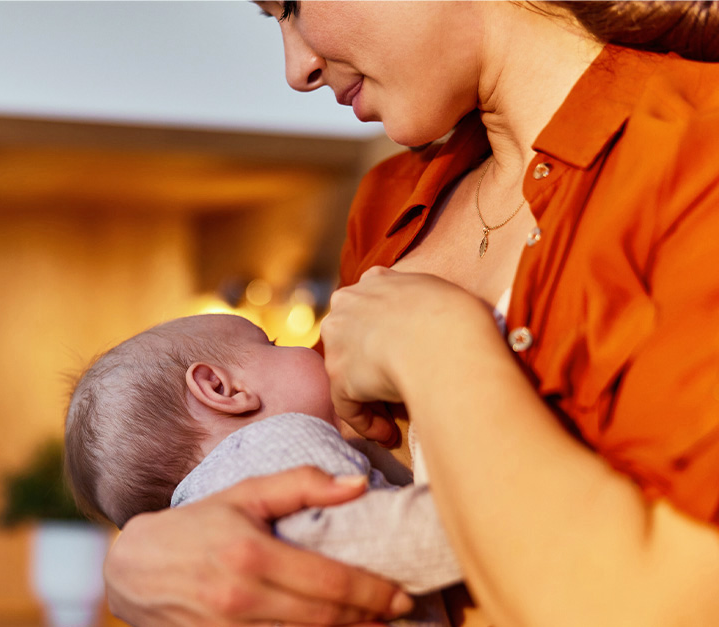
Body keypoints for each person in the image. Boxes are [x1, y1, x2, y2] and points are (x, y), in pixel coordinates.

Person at [103, 2, 719, 626]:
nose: (297, 69)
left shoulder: (697, 150)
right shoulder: (385, 207)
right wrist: (143, 558)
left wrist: (439, 344)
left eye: (290, 5)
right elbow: (292, 499)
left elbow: (671, 604)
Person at [64, 313, 462, 626]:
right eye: (272, 342)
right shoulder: (270, 444)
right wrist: (484, 520)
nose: (308, 348)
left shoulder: (208, 511)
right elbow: (372, 541)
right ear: (224, 390)